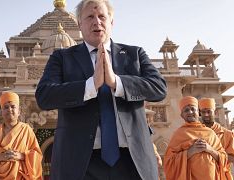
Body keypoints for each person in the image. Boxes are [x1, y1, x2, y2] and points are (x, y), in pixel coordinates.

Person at [35, 0, 167, 179]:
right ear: (79, 24)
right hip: (80, 163)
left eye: (102, 16)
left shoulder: (134, 54)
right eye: (90, 16)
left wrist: (117, 83)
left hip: (132, 161)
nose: (96, 22)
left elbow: (159, 88)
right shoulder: (62, 58)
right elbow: (44, 96)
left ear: (111, 22)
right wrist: (90, 85)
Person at [0, 91, 43, 180]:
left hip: (20, 176)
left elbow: (37, 156)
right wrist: (0, 157)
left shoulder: (26, 130)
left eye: (13, 106)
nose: (9, 110)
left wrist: (21, 156)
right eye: (6, 107)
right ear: (2, 112)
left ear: (19, 111)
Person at [164, 96, 227, 180]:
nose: (190, 112)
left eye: (193, 109)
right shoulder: (178, 134)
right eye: (186, 110)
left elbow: (224, 158)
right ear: (182, 115)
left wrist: (209, 149)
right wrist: (190, 152)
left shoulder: (210, 133)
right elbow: (169, 162)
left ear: (198, 111)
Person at [199, 97, 234, 179]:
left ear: (215, 112)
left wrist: (211, 151)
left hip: (221, 176)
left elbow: (232, 158)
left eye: (209, 111)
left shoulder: (227, 134)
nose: (206, 115)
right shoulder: (196, 132)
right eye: (203, 112)